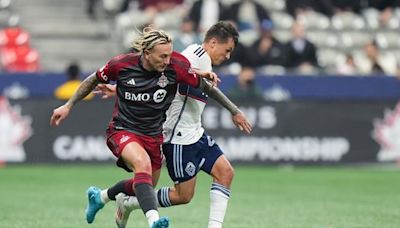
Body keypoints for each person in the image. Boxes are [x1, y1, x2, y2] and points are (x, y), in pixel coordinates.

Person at [50, 27, 249, 228]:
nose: (167, 60)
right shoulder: (122, 63)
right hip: (130, 129)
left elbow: (184, 79)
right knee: (148, 170)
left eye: (169, 55)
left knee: (146, 184)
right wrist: (68, 105)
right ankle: (154, 221)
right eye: (163, 55)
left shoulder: (173, 64)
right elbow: (94, 78)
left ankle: (102, 197)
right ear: (147, 53)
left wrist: (232, 108)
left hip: (155, 135)